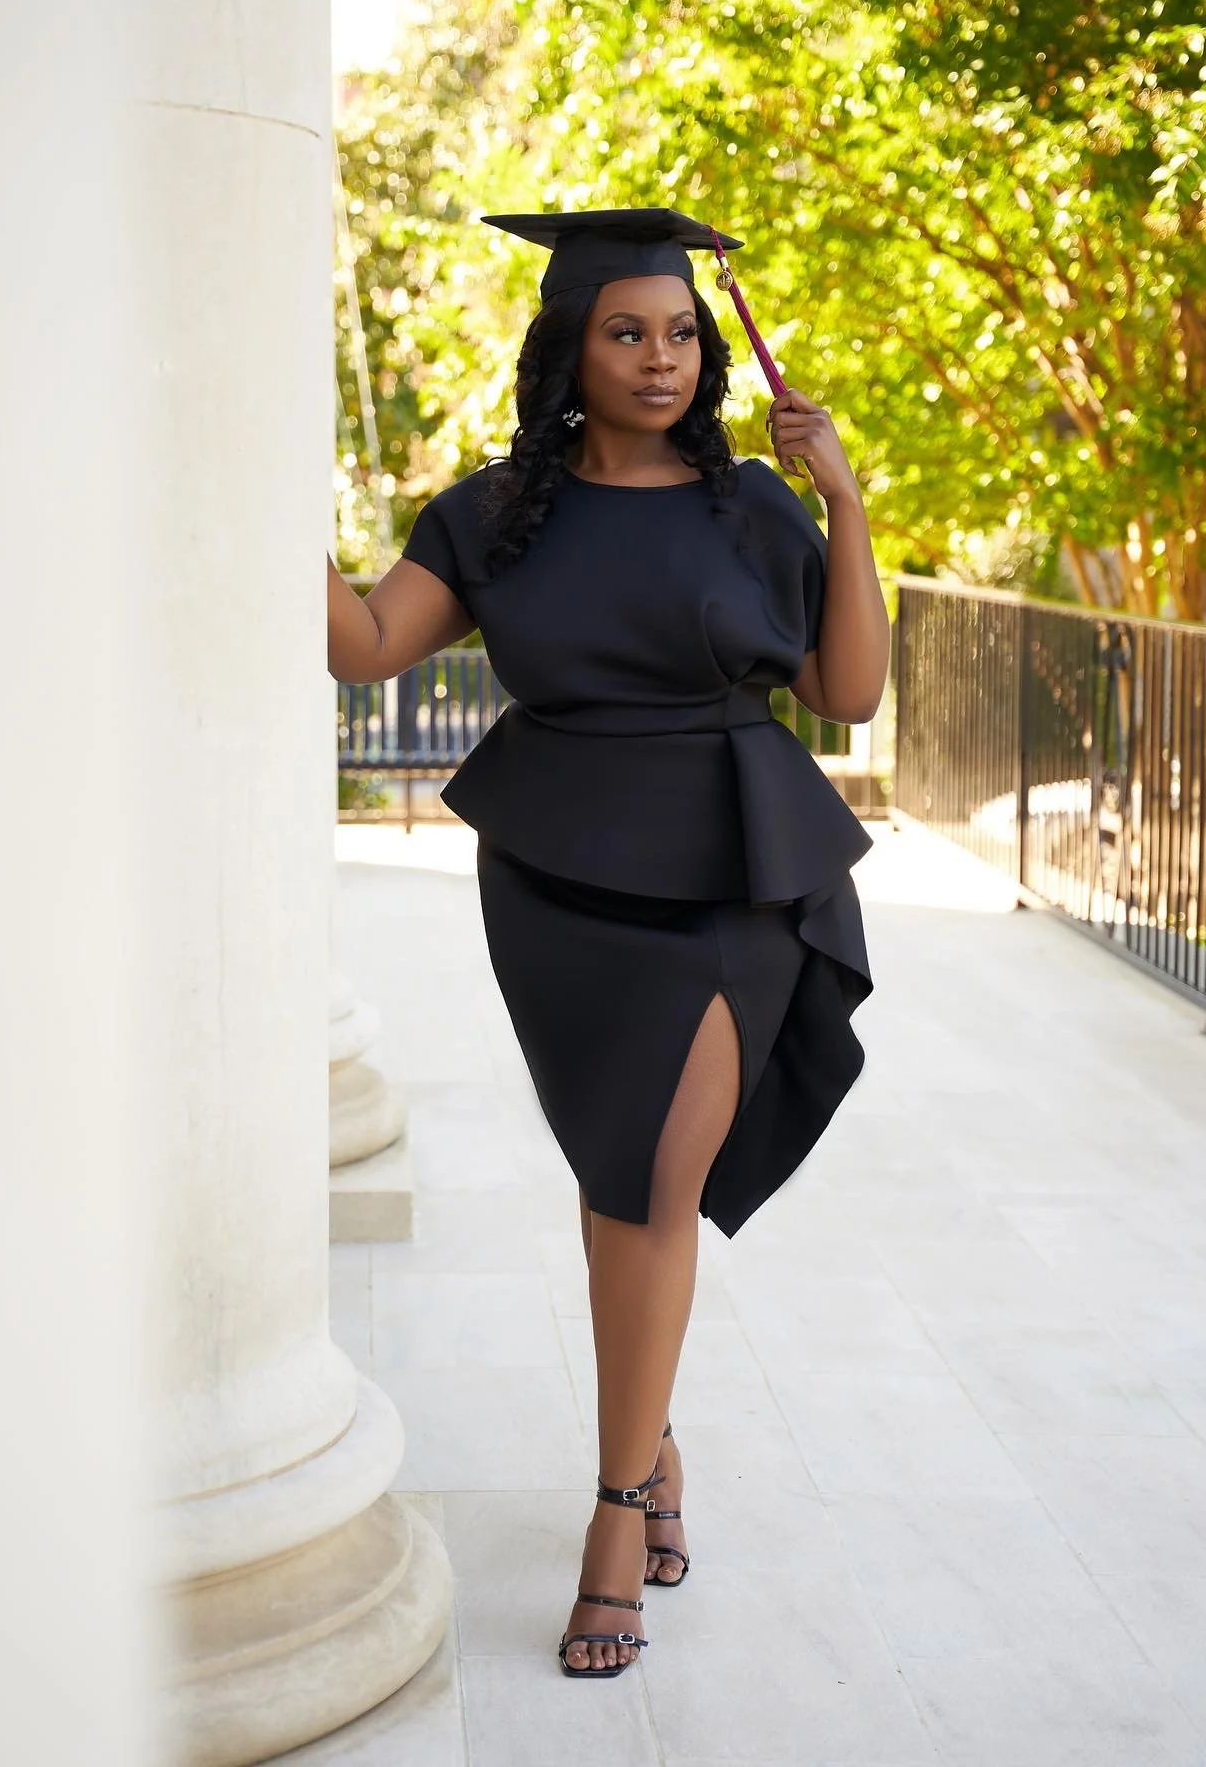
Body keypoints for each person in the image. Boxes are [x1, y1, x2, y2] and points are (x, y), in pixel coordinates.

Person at [326, 207, 890, 1680]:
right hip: (555, 881)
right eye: (627, 331)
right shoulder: (493, 513)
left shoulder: (751, 506)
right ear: (569, 350)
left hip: (725, 872)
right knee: (614, 1184)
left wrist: (844, 503)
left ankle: (617, 1507)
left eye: (683, 333)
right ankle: (657, 1441)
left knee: (649, 1187)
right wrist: (258, 492)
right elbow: (361, 646)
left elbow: (845, 694)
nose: (661, 358)